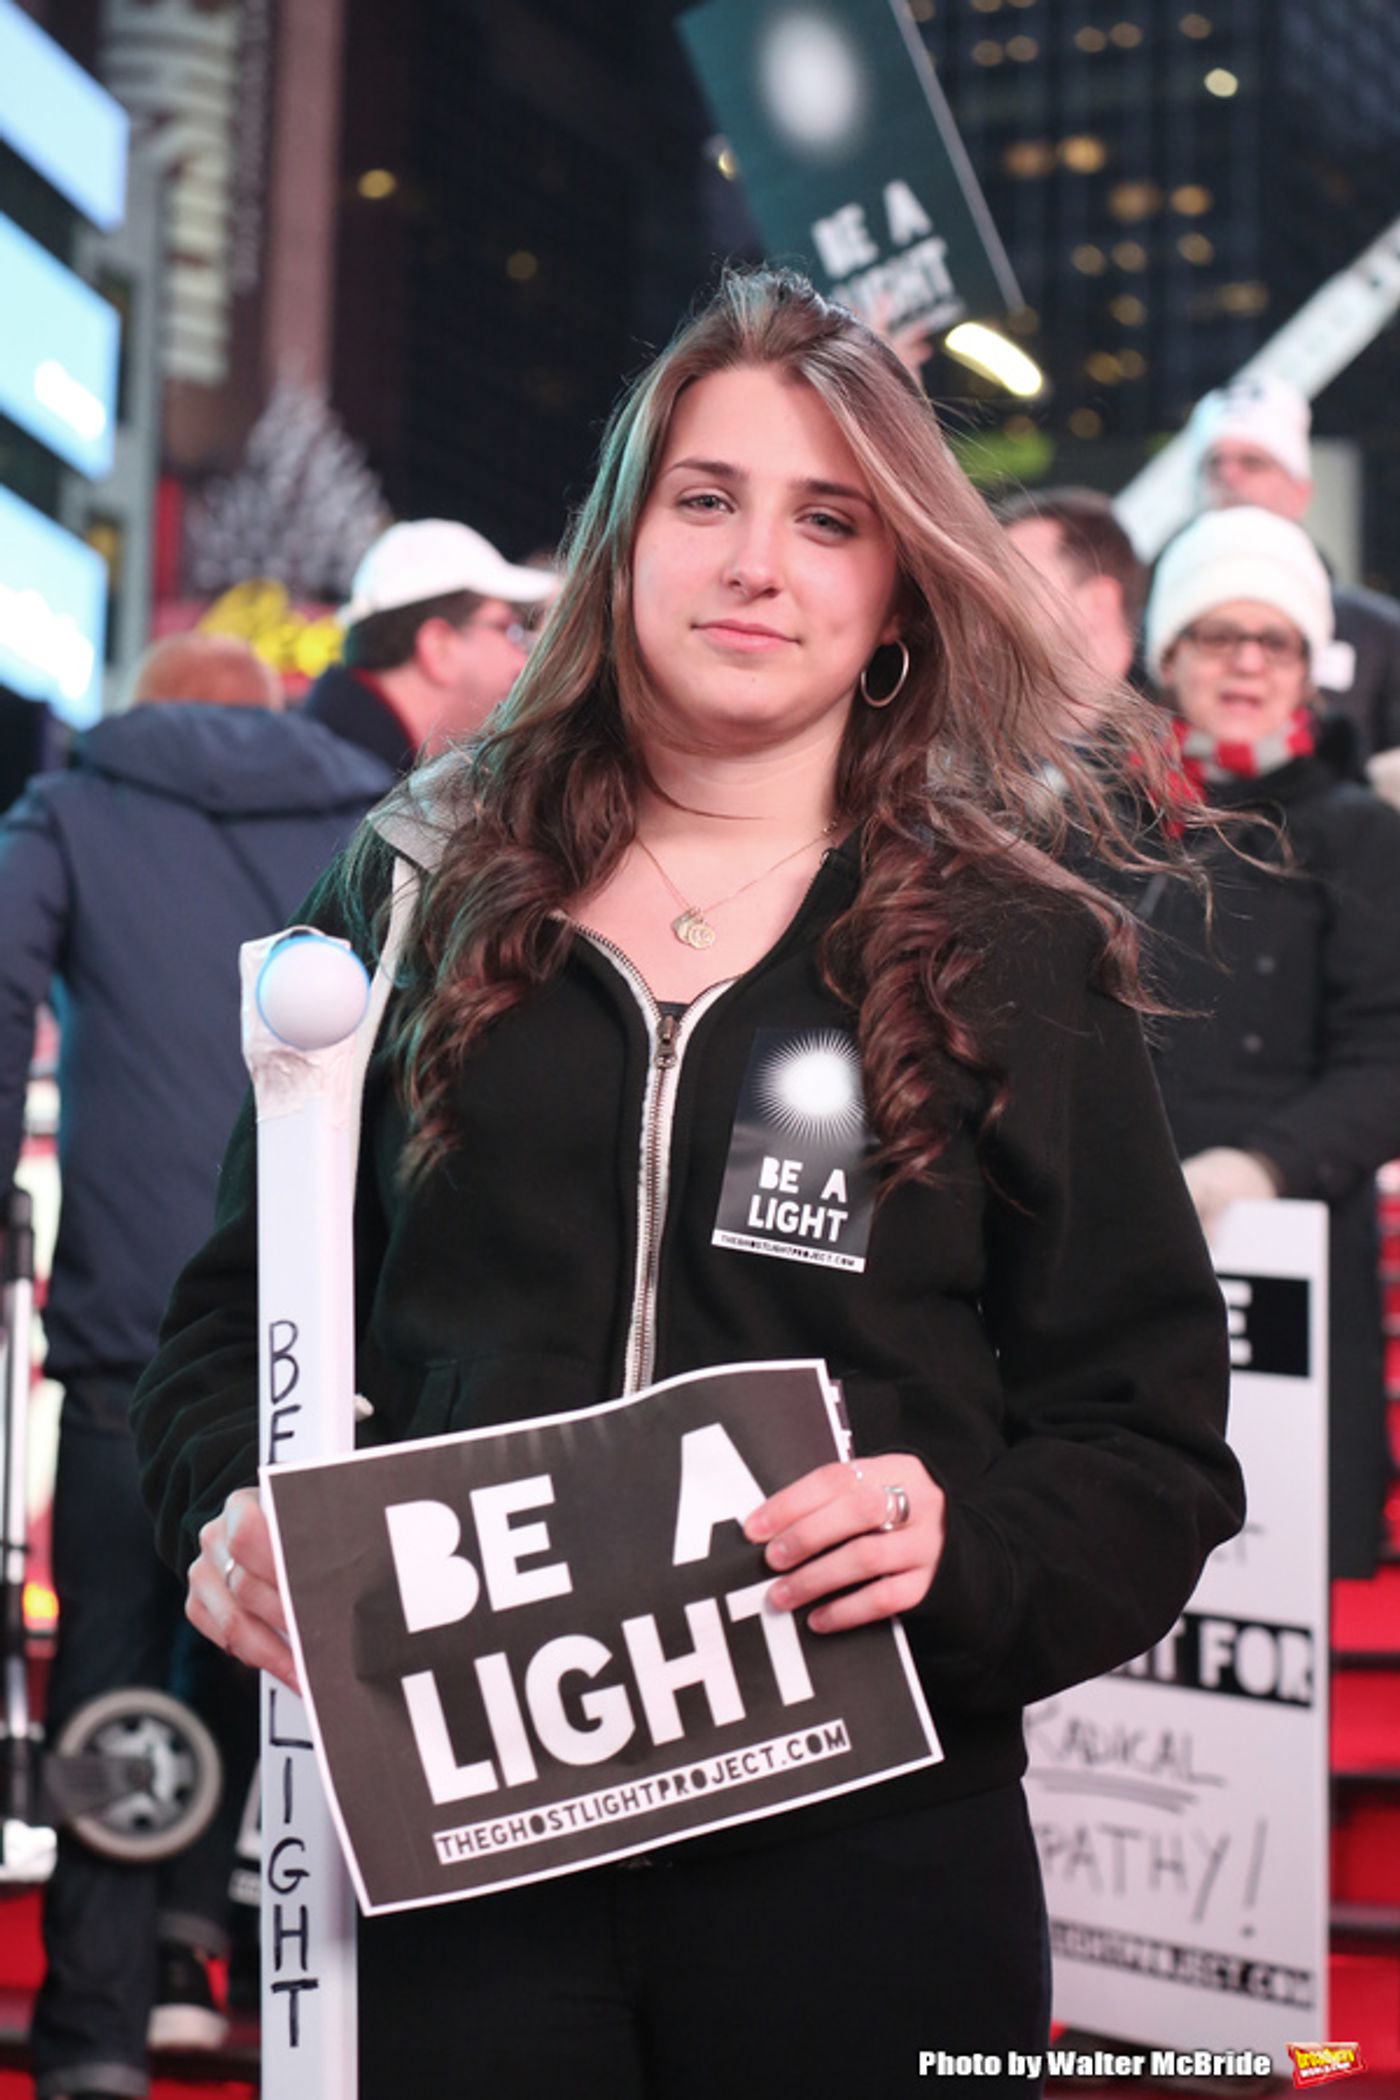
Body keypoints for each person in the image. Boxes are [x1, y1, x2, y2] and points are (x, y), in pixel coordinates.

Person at [132, 270, 1244, 2098]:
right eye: (705, 498)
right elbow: (226, 1315)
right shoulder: (416, 885)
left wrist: (968, 1547)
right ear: (621, 542)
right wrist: (234, 1515)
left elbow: (1148, 1440)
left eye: (829, 520)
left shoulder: (1012, 948)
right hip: (454, 1844)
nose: (757, 562)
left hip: (867, 1844)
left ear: (893, 595)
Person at [0, 633, 394, 2100]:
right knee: (301, 1653)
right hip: (320, 1315)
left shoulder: (75, 810)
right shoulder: (375, 818)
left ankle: (98, 2035)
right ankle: (246, 1968)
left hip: (133, 1323)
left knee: (112, 1669)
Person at [1139, 505, 1400, 1580]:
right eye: (1214, 635)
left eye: (1274, 639)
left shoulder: (1356, 830)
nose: (1244, 662)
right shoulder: (1097, 820)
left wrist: (1256, 1168)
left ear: (1308, 667)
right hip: (1118, 1266)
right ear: (1166, 657)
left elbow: (1385, 1060)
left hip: (1284, 1286)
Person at [1186, 373, 1400, 769]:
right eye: (1213, 463)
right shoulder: (1153, 631)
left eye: (1253, 462)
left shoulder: (1380, 635)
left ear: (1300, 492)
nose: (1228, 476)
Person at [300, 518, 558, 773]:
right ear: (438, 647)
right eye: (507, 630)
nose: (522, 662)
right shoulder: (351, 796)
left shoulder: (335, 772)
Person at [998, 486, 1147, 708]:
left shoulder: (1180, 733)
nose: (984, 613)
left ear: (1099, 603)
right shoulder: (958, 725)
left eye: (1014, 590)